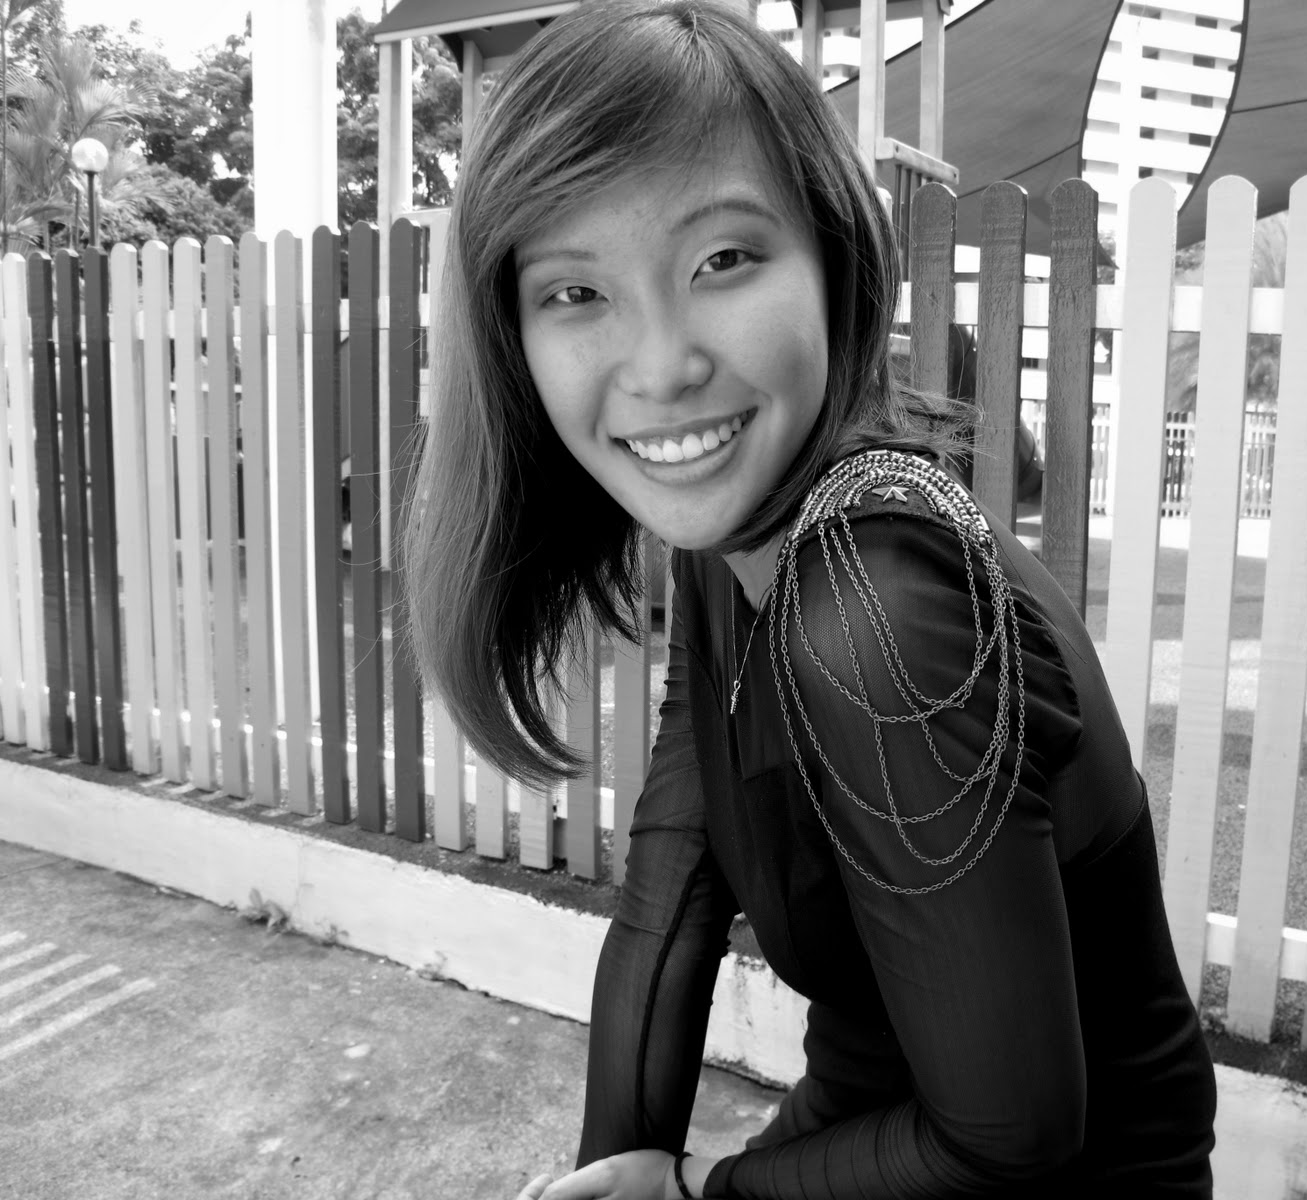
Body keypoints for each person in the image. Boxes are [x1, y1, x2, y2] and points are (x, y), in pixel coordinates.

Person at [402, 2, 1217, 1197]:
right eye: (575, 292)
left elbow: (1007, 1137)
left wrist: (694, 1192)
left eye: (722, 260)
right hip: (867, 1123)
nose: (663, 365)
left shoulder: (875, 615)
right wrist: (621, 1167)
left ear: (834, 258)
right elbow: (674, 882)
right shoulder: (734, 537)